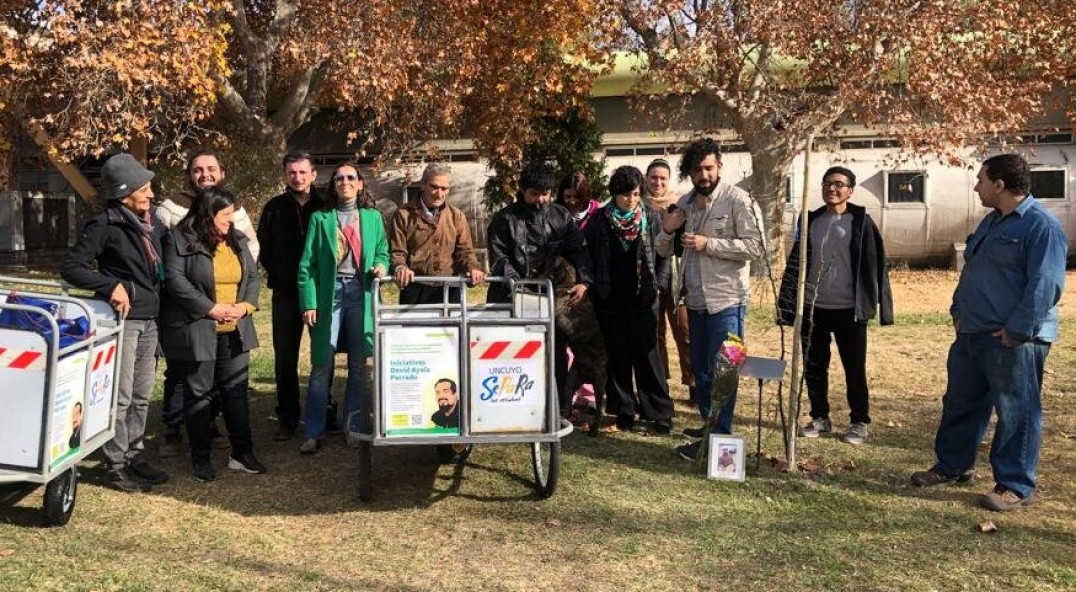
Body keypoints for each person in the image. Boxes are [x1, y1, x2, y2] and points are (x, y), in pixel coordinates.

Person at [911, 154, 1067, 512]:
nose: (976, 186)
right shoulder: (991, 222)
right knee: (961, 403)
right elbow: (974, 272)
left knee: (1017, 410)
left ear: (999, 185)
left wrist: (1017, 331)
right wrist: (957, 311)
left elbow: (1046, 285)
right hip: (972, 334)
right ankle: (952, 465)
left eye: (980, 180)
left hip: (1011, 340)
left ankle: (1014, 484)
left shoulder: (1040, 227)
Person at [62, 152, 170, 492]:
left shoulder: (151, 224)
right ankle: (115, 462)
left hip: (150, 320)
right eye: (146, 188)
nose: (151, 194)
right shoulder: (105, 224)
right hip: (124, 322)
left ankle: (135, 454)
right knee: (120, 397)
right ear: (127, 192)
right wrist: (111, 285)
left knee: (141, 395)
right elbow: (73, 267)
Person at [656, 138, 765, 461]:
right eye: (697, 170)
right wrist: (668, 229)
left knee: (724, 370)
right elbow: (663, 250)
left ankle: (719, 438)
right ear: (688, 172)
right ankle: (709, 426)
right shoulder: (686, 202)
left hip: (728, 303)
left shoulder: (738, 201)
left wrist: (709, 244)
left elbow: (756, 248)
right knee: (701, 370)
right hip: (696, 302)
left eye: (709, 168)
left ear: (718, 166)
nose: (703, 175)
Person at [777, 166, 894, 445]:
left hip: (848, 310)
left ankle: (859, 421)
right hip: (814, 306)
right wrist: (788, 304)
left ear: (850, 190)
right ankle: (820, 417)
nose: (833, 188)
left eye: (839, 184)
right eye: (827, 183)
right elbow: (795, 263)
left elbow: (877, 266)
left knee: (854, 368)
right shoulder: (811, 221)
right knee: (815, 366)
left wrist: (882, 307)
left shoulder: (861, 221)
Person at [155, 150, 259, 458]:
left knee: (226, 384)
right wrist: (207, 306)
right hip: (191, 318)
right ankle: (174, 430)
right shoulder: (172, 211)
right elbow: (169, 269)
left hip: (232, 319)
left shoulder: (235, 218)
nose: (205, 174)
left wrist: (244, 304)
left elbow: (251, 261)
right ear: (190, 174)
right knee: (184, 378)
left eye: (211, 168)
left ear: (222, 173)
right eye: (198, 169)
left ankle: (214, 430)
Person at [485, 161, 595, 415]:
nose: (541, 199)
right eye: (535, 193)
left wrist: (584, 281)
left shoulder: (560, 217)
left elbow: (579, 251)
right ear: (522, 189)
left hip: (550, 299)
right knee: (509, 354)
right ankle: (507, 407)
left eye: (545, 193)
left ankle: (555, 408)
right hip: (511, 296)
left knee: (554, 354)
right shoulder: (504, 219)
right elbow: (499, 258)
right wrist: (518, 286)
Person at [297, 162, 389, 454]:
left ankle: (355, 427)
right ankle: (314, 431)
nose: (345, 182)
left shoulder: (373, 218)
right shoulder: (320, 218)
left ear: (360, 184)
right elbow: (306, 266)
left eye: (351, 178)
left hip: (361, 294)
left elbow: (384, 251)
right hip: (330, 295)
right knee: (322, 363)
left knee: (360, 365)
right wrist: (309, 302)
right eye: (339, 178)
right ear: (333, 185)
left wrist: (381, 265)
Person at [583, 166, 673, 433]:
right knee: (618, 355)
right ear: (614, 194)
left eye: (635, 194)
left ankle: (659, 413)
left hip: (644, 296)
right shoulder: (599, 219)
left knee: (648, 354)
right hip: (610, 297)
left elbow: (663, 253)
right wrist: (596, 287)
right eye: (625, 195)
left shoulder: (651, 217)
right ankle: (623, 411)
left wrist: (659, 284)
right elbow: (589, 256)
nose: (631, 200)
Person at [257, 151, 334, 441]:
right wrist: (280, 273)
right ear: (285, 174)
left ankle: (324, 410)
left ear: (313, 174)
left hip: (320, 292)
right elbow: (263, 247)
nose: (297, 177)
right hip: (286, 294)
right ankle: (287, 417)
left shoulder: (326, 206)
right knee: (285, 358)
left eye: (303, 172)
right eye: (292, 172)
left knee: (322, 354)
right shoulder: (274, 207)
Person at [390, 163, 484, 304]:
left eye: (444, 188)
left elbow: (465, 251)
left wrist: (473, 268)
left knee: (451, 327)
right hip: (415, 288)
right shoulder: (403, 215)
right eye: (434, 187)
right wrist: (400, 267)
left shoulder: (456, 216)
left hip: (450, 288)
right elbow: (397, 252)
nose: (439, 194)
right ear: (423, 185)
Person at [643, 158, 696, 409]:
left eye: (663, 178)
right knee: (655, 335)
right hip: (649, 279)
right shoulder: (639, 205)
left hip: (677, 279)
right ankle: (660, 383)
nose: (658, 182)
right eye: (653, 177)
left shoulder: (681, 204)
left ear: (669, 180)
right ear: (646, 179)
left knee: (684, 332)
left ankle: (693, 383)